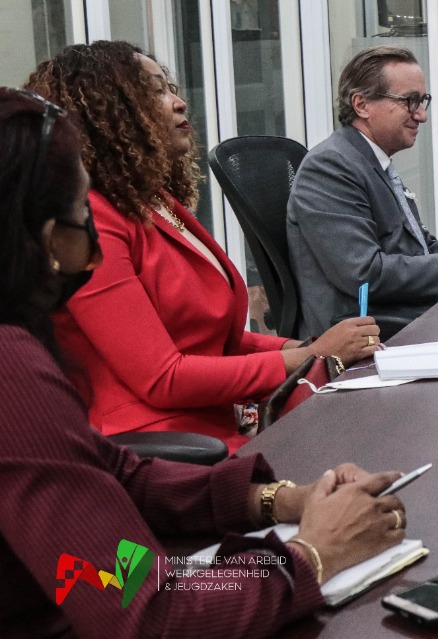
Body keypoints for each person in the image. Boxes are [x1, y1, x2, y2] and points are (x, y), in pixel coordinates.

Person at [0, 86, 409, 638]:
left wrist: (279, 500)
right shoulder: (11, 372)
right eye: (81, 218)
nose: (94, 253)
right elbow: (150, 613)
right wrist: (315, 553)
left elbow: (115, 472)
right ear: (42, 241)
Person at [26, 41, 379, 454]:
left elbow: (214, 339)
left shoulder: (154, 201)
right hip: (160, 446)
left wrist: (303, 347)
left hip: (213, 428)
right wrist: (312, 355)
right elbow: (163, 378)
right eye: (155, 92)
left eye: (170, 88)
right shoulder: (97, 220)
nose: (179, 102)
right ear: (109, 114)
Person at [288, 46, 438, 339]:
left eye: (423, 101)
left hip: (399, 315)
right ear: (362, 105)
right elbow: (364, 275)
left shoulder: (369, 160)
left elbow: (418, 248)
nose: (422, 115)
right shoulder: (330, 167)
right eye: (410, 101)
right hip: (366, 333)